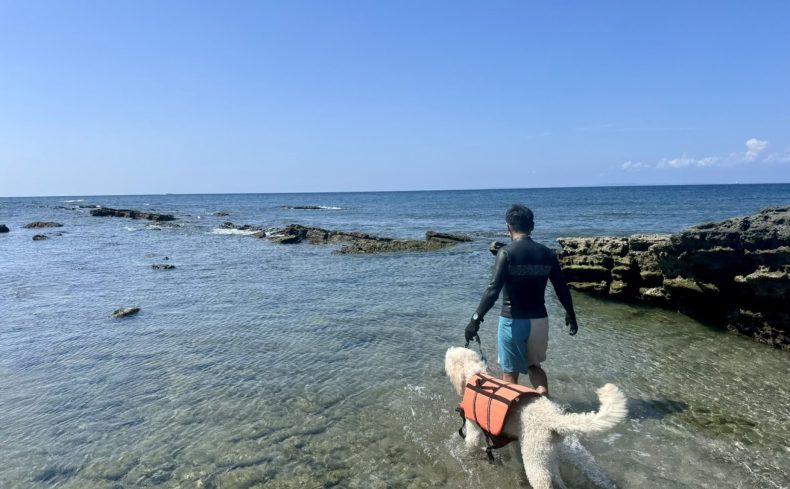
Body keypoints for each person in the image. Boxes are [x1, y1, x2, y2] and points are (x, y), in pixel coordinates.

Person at [464, 204, 578, 395]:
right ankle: (544, 401)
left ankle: (511, 420)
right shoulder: (548, 254)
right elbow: (561, 288)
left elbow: (493, 290)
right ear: (532, 226)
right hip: (539, 320)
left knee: (509, 375)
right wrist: (571, 314)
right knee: (535, 366)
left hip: (513, 320)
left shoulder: (506, 253)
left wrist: (475, 320)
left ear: (508, 226)